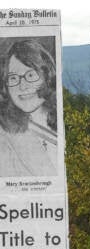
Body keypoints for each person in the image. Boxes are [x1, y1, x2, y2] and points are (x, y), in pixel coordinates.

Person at [0, 39, 57, 177]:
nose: (22, 86)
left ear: (47, 75)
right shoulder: (5, 133)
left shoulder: (64, 117)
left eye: (30, 75)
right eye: (13, 78)